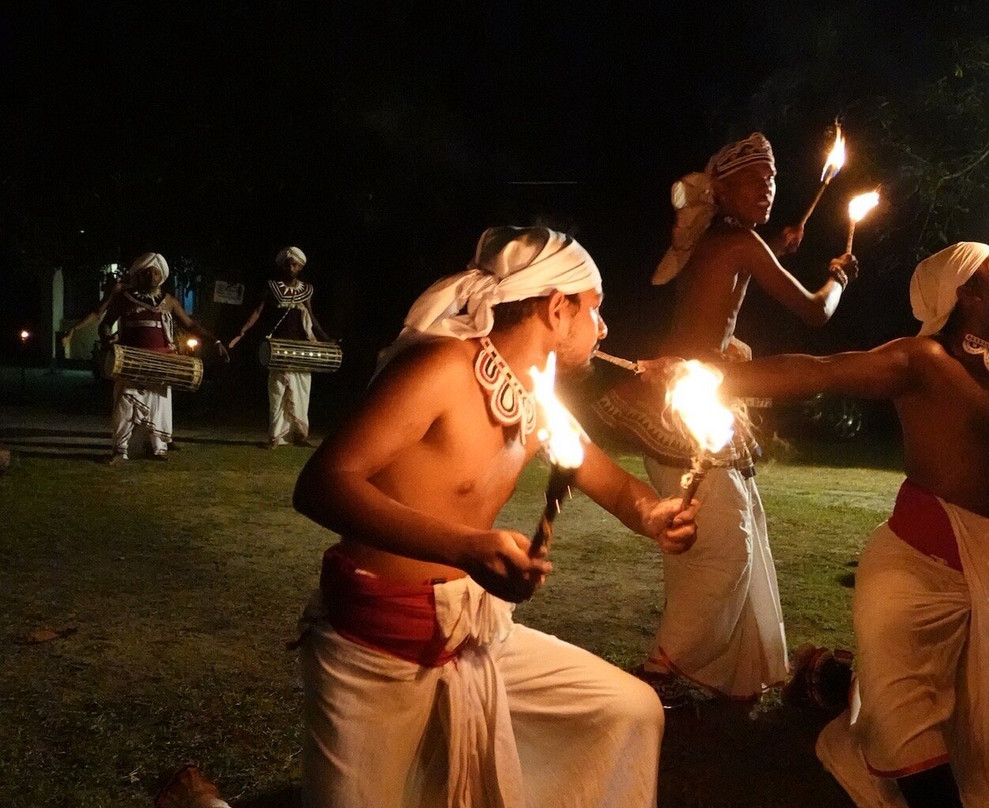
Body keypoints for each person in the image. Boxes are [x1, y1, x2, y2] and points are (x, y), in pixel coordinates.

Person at [291, 226, 700, 808]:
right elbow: (322, 484)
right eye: (594, 308)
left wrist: (654, 512)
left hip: (472, 635)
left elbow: (610, 483)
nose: (604, 328)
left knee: (628, 708)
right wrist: (465, 547)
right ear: (557, 309)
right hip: (373, 648)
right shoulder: (442, 368)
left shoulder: (537, 399)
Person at [686, 241, 989, 807]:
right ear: (967, 292)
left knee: (950, 718)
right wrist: (714, 375)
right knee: (908, 722)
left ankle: (848, 714)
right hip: (912, 579)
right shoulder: (922, 359)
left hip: (978, 582)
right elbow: (822, 370)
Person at [592, 131, 859, 700]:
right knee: (726, 546)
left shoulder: (721, 239)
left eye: (773, 180)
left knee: (730, 531)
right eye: (756, 180)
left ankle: (736, 672)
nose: (769, 189)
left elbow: (731, 277)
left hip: (688, 397)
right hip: (684, 404)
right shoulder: (739, 243)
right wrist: (838, 276)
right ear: (722, 189)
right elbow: (816, 312)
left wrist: (774, 248)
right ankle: (660, 671)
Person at [98, 252, 228, 463]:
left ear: (161, 277)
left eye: (155, 273)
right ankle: (120, 451)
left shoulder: (169, 301)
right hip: (131, 361)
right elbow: (105, 324)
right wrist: (107, 340)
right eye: (146, 272)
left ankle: (156, 448)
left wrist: (215, 341)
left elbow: (190, 325)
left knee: (158, 407)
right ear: (138, 275)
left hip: (162, 362)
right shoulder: (124, 299)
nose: (151, 276)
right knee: (125, 404)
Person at [228, 246, 331, 448]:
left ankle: (300, 435)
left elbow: (310, 316)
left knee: (301, 391)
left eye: (294, 265)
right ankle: (275, 436)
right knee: (277, 391)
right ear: (283, 266)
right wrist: (243, 330)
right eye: (288, 265)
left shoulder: (306, 290)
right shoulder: (273, 287)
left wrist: (325, 337)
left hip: (300, 346)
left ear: (300, 267)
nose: (291, 268)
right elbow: (258, 311)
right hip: (278, 347)